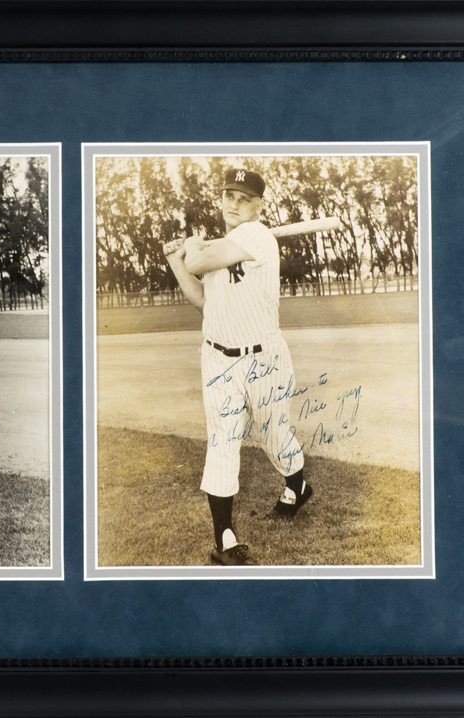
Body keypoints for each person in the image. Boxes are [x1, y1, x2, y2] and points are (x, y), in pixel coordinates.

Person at [162, 168, 311, 566]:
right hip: (219, 358)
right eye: (228, 195)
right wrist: (176, 261)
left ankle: (297, 486)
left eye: (243, 198)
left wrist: (190, 246)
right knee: (223, 441)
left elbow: (199, 261)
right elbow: (203, 301)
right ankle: (224, 538)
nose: (233, 203)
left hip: (265, 360)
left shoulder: (255, 235)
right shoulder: (226, 244)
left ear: (259, 206)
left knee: (274, 437)